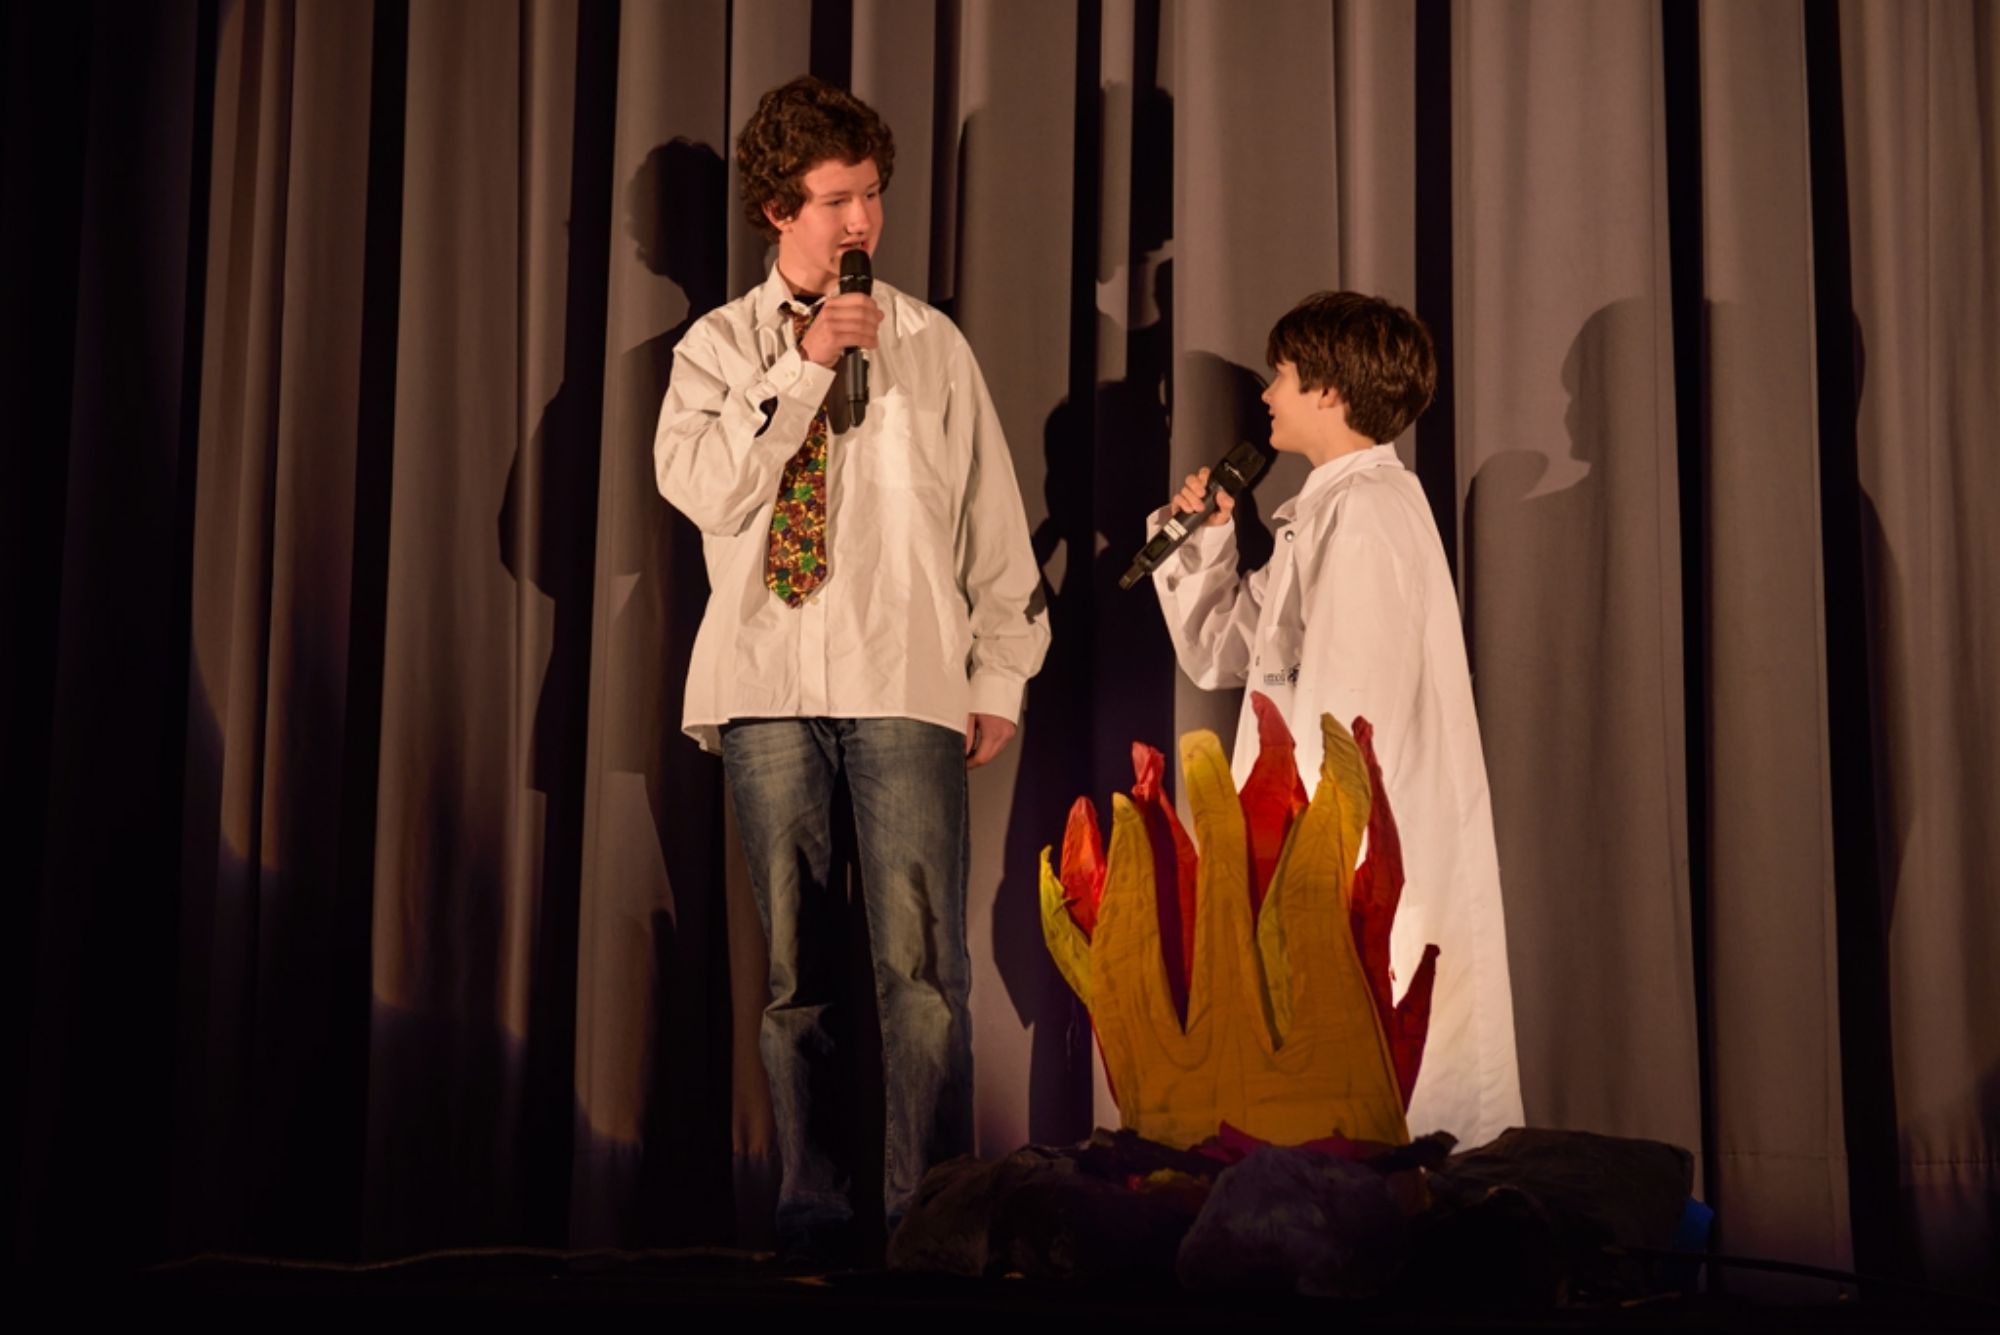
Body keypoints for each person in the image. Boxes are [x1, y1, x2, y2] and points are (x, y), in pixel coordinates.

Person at [653, 76, 1049, 1256]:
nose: (862, 222)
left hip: (904, 680)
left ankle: (933, 1223)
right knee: (797, 980)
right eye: (836, 201)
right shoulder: (717, 348)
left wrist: (997, 674)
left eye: (871, 195)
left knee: (923, 975)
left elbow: (989, 519)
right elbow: (704, 489)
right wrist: (804, 366)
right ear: (779, 210)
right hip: (766, 686)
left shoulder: (931, 345)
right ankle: (815, 1222)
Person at [1149, 291, 1523, 1149]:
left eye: (1282, 375)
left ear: (1329, 390)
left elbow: (1346, 715)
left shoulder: (1367, 515)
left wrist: (1307, 865)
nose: (1267, 395)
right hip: (1309, 841)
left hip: (1338, 850)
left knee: (1378, 1089)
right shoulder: (1327, 512)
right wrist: (1206, 539)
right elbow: (1225, 653)